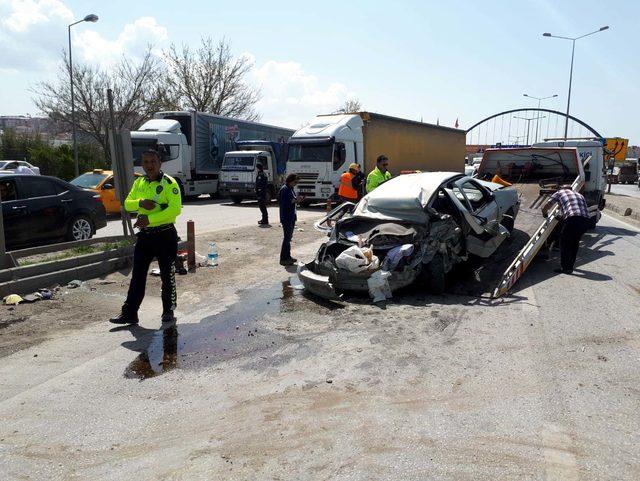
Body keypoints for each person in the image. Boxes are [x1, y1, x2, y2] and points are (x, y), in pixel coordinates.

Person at [110, 149, 182, 325]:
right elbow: (127, 204)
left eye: (153, 162)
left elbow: (175, 209)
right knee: (138, 275)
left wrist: (149, 219)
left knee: (167, 275)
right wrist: (140, 203)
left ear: (160, 163)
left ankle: (168, 311)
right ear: (142, 164)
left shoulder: (169, 183)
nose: (149, 166)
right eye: (146, 162)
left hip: (165, 235)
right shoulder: (139, 182)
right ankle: (129, 313)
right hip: (145, 238)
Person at [541, 185, 591, 274]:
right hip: (586, 221)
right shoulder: (579, 195)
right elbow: (574, 210)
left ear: (561, 189)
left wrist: (545, 214)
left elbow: (546, 206)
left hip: (573, 219)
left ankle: (565, 268)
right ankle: (569, 267)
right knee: (574, 243)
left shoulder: (559, 193)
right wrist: (562, 218)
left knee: (564, 242)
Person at [279, 173, 304, 266]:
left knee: (289, 238)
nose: (296, 184)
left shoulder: (290, 189)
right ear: (290, 180)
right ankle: (283, 258)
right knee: (287, 238)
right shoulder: (285, 189)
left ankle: (287, 257)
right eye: (295, 182)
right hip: (286, 217)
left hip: (291, 217)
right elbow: (285, 203)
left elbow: (292, 201)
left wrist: (297, 200)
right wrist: (295, 200)